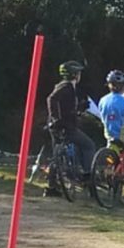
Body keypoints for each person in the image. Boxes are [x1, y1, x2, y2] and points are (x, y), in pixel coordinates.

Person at [44, 59, 95, 195]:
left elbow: (67, 107)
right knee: (88, 145)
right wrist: (56, 118)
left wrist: (80, 107)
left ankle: (51, 186)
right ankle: (87, 175)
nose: (80, 75)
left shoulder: (65, 86)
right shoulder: (66, 86)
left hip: (57, 126)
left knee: (56, 154)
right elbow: (51, 99)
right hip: (65, 127)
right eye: (78, 73)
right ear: (74, 75)